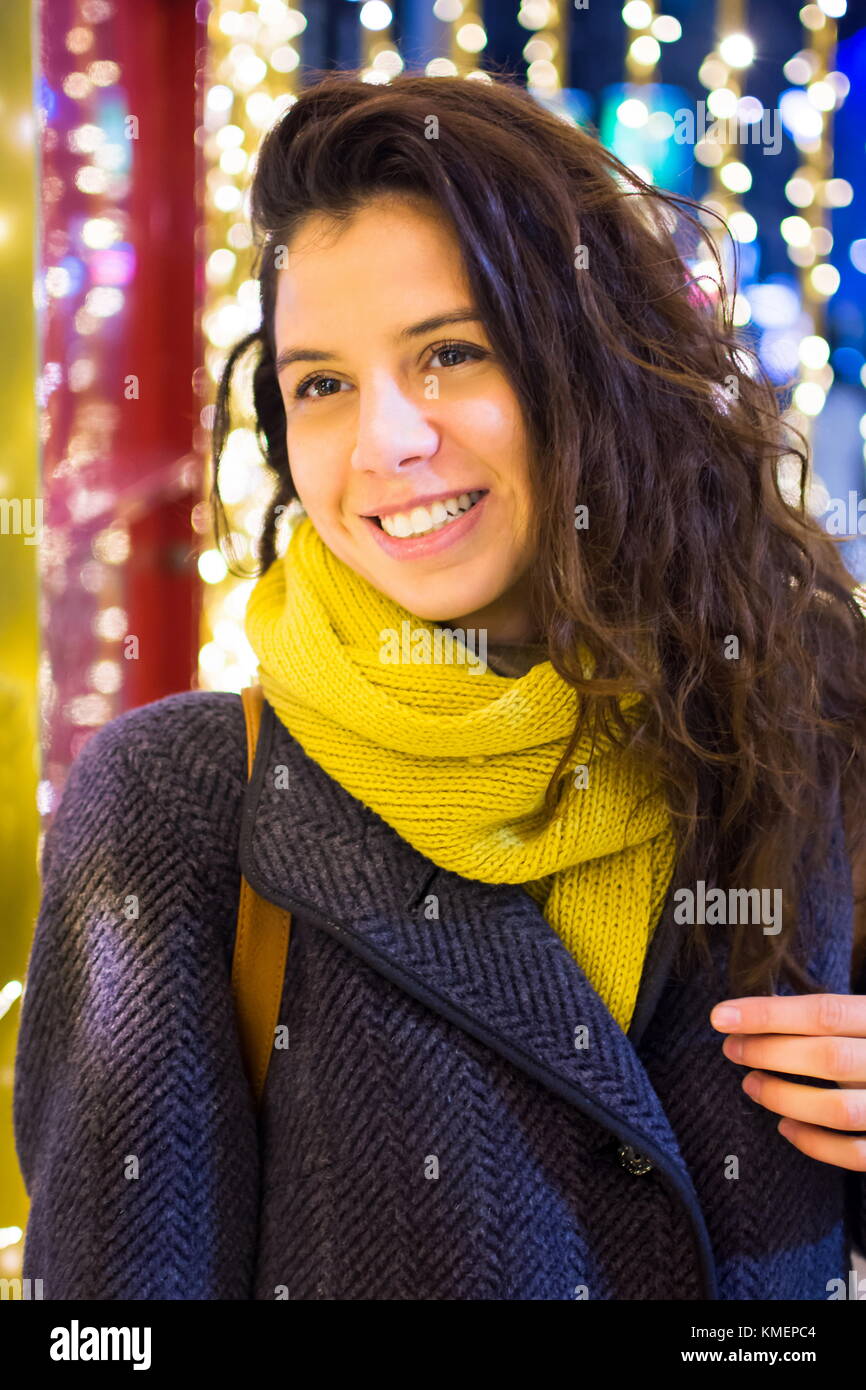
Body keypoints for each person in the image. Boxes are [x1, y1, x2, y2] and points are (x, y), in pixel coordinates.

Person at [13, 70, 866, 1301]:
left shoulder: (797, 733)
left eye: (450, 352)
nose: (384, 444)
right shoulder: (181, 804)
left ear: (596, 363)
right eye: (321, 384)